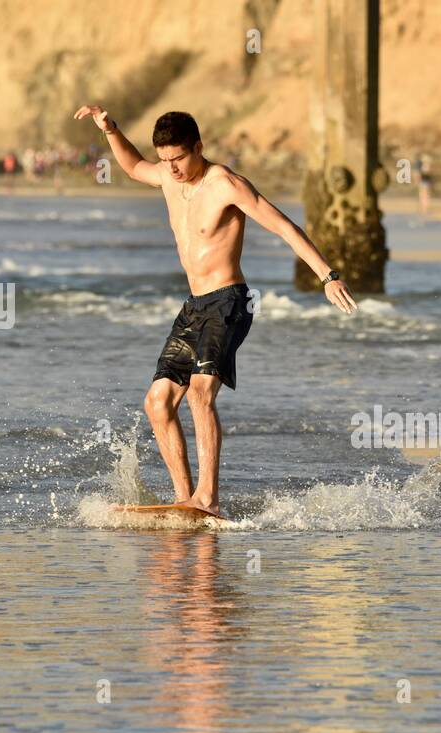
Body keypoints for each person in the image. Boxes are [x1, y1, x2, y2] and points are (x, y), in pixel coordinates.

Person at [74, 105, 357, 516]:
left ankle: (207, 498)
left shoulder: (225, 184)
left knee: (201, 393)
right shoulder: (169, 179)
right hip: (194, 306)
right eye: (166, 160)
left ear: (199, 147)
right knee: (158, 403)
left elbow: (283, 226)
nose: (171, 169)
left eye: (179, 159)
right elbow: (135, 167)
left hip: (229, 302)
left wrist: (327, 275)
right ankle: (185, 498)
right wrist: (111, 130)